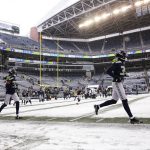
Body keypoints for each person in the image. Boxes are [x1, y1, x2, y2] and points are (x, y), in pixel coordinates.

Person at [94, 51, 142, 124]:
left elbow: (119, 72)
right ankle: (131, 118)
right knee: (124, 100)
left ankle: (98, 106)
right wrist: (115, 77)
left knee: (114, 100)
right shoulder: (118, 62)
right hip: (117, 83)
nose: (125, 57)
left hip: (118, 83)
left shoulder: (121, 63)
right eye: (124, 55)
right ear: (121, 56)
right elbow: (108, 71)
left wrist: (124, 75)